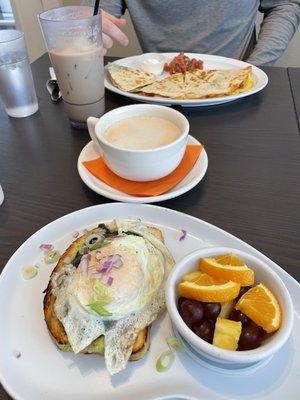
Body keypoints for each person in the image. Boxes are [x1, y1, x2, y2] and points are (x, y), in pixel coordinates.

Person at [96, 0, 300, 66]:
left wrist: (257, 68)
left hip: (242, 86)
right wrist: (90, 29)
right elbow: (97, 14)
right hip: (156, 88)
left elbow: (284, 3)